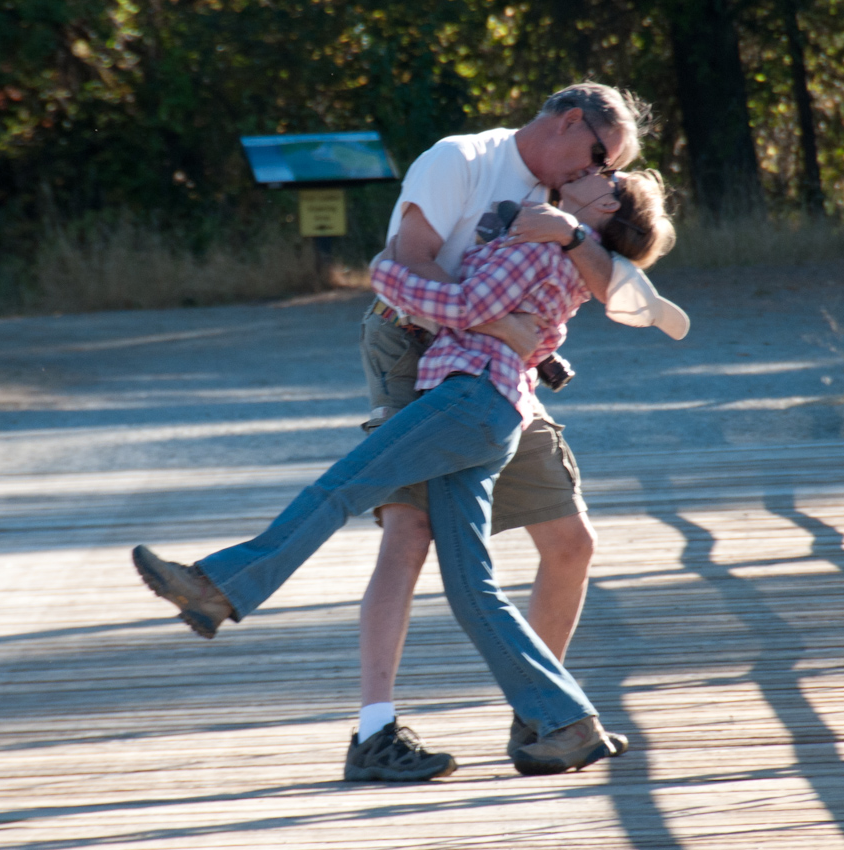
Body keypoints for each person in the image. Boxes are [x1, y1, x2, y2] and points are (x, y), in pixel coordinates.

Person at [132, 168, 677, 778]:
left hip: (468, 400)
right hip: (490, 409)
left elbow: (461, 303)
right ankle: (565, 722)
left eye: (604, 174)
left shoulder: (544, 249)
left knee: (339, 489)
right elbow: (493, 308)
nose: (588, 172)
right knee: (473, 589)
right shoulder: (567, 251)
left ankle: (219, 587)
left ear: (603, 204)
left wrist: (386, 271)